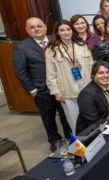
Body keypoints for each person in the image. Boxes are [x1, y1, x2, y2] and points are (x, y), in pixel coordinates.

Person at [13, 17, 71, 151]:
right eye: (32, 27)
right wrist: (32, 90)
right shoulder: (21, 48)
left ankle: (70, 136)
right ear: (27, 30)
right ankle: (54, 140)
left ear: (45, 27)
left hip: (61, 86)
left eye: (39, 26)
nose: (36, 29)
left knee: (65, 113)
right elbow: (20, 72)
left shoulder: (56, 40)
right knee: (48, 116)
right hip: (42, 90)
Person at [45, 20, 94, 133]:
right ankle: (81, 145)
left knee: (90, 116)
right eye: (62, 30)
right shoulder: (51, 50)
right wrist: (56, 92)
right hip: (67, 89)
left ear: (72, 30)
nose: (66, 32)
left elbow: (91, 66)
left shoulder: (82, 45)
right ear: (57, 33)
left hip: (86, 85)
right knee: (74, 120)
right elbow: (50, 74)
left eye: (68, 29)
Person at [76, 61, 109, 134]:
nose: (105, 75)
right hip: (94, 133)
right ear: (93, 75)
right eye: (100, 73)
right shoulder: (86, 95)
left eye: (108, 72)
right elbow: (92, 123)